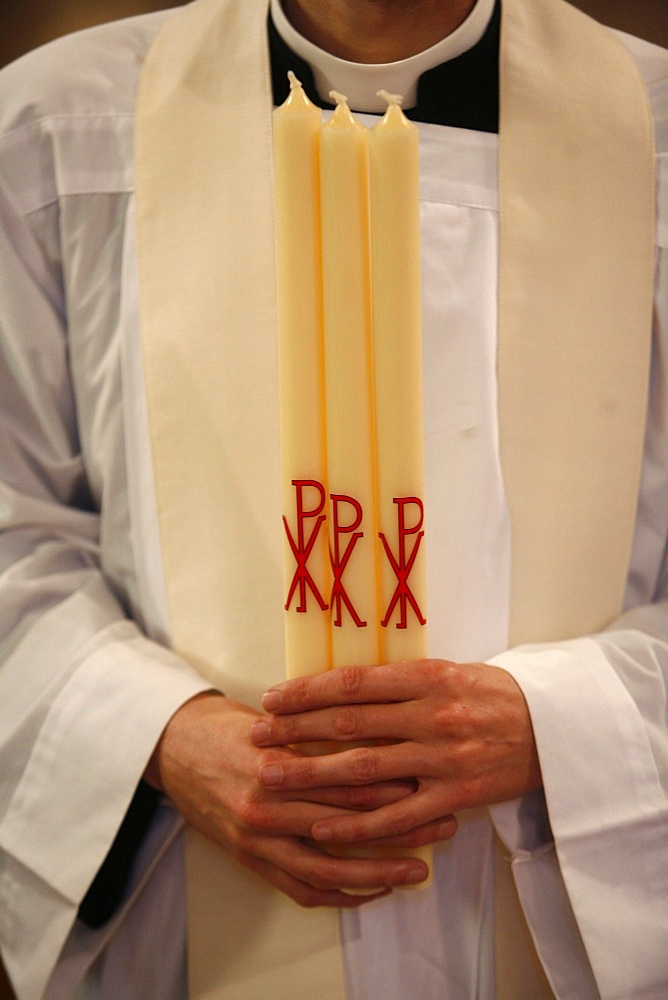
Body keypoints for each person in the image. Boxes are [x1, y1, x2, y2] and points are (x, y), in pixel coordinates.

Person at [1, 0, 667, 998]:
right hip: (192, 896)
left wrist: (558, 723)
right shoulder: (56, 126)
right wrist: (158, 732)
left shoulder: (648, 126)